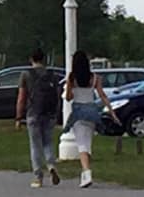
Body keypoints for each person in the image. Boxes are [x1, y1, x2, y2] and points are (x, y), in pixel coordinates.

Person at [63, 50, 119, 188]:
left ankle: (87, 172)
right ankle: (84, 173)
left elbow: (68, 97)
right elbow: (102, 95)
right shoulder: (94, 78)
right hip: (92, 112)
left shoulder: (72, 77)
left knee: (81, 144)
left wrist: (70, 89)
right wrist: (112, 112)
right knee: (87, 143)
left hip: (78, 113)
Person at [16, 49, 61, 188]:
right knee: (48, 142)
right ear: (44, 59)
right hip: (49, 113)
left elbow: (21, 97)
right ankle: (51, 165)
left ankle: (38, 176)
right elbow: (57, 95)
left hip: (33, 113)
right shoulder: (52, 75)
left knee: (35, 145)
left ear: (31, 59)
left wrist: (18, 117)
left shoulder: (26, 74)